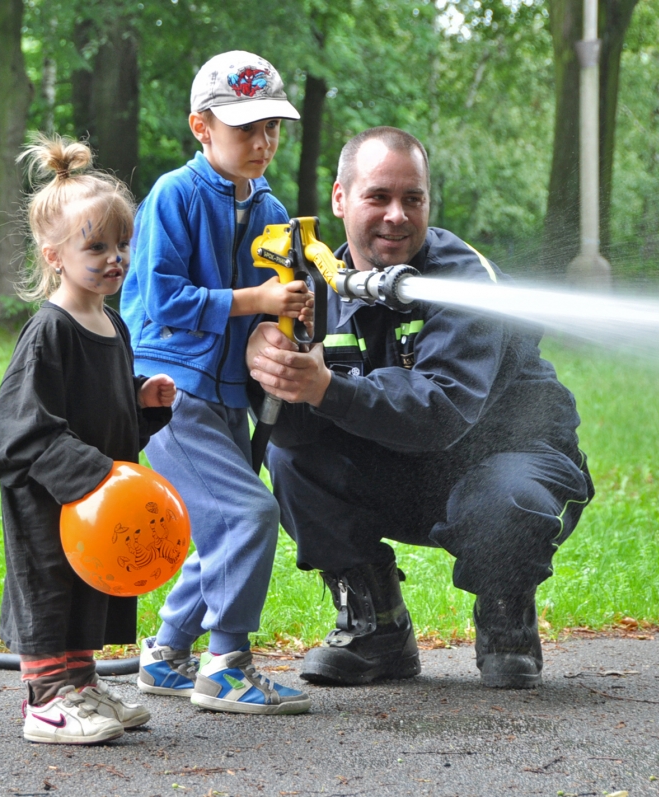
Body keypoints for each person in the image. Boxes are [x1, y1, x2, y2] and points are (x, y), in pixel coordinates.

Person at [246, 127, 595, 690]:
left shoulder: (463, 279)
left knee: (505, 500)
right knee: (292, 460)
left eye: (413, 199)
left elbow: (441, 410)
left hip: (509, 456)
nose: (396, 216)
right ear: (340, 199)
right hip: (401, 466)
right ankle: (376, 626)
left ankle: (506, 617)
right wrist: (263, 368)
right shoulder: (308, 286)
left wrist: (325, 388)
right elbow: (288, 430)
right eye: (377, 197)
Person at [120, 51, 313, 715]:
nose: (262, 144)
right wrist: (252, 302)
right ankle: (225, 664)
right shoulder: (174, 195)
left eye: (272, 129)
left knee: (222, 527)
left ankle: (169, 652)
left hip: (232, 393)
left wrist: (291, 317)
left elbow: (278, 304)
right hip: (171, 390)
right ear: (202, 127)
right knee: (250, 513)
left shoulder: (272, 207)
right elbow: (159, 301)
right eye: (245, 129)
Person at [0, 135, 176, 744]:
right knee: (50, 585)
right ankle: (45, 700)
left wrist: (142, 402)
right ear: (54, 255)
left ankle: (81, 684)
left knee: (88, 586)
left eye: (122, 245)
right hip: (49, 496)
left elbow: (110, 409)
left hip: (92, 496)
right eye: (95, 246)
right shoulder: (49, 331)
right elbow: (20, 432)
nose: (114, 258)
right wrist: (90, 473)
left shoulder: (110, 322)